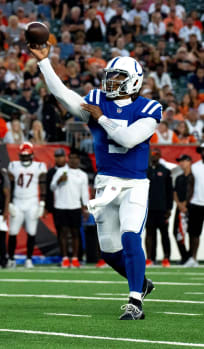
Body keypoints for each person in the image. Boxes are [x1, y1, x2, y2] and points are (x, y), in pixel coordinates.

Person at [30, 44, 157, 319]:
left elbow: (128, 138)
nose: (111, 81)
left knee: (131, 236)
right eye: (110, 75)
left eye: (119, 77)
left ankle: (135, 300)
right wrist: (44, 63)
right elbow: (63, 95)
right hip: (106, 182)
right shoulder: (97, 99)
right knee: (109, 251)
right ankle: (142, 282)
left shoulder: (149, 107)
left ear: (134, 81)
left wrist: (103, 119)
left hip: (134, 183)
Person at [7, 142, 47, 268]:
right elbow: (10, 185)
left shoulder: (39, 166)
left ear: (32, 155)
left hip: (32, 202)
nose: (24, 158)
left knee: (31, 231)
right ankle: (11, 258)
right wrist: (9, 203)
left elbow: (43, 184)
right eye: (22, 156)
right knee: (13, 232)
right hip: (17, 202)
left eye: (27, 156)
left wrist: (42, 203)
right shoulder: (13, 165)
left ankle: (29, 259)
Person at [50, 151, 89, 268]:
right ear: (68, 159)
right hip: (61, 206)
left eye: (75, 158)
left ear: (79, 160)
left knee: (75, 233)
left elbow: (85, 193)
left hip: (75, 206)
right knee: (63, 234)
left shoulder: (82, 175)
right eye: (71, 158)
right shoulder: (61, 171)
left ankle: (75, 258)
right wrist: (59, 180)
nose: (73, 160)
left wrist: (86, 208)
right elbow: (52, 187)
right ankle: (65, 258)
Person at [145, 148, 173, 267]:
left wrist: (169, 208)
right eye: (152, 154)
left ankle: (166, 258)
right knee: (149, 234)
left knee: (164, 234)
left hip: (162, 209)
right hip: (149, 208)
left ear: (160, 155)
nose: (154, 156)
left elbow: (169, 191)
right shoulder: (145, 171)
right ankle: (150, 258)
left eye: (156, 154)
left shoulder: (165, 171)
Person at [185, 144, 204, 267]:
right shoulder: (195, 167)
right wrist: (187, 202)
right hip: (196, 203)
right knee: (193, 233)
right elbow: (190, 185)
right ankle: (193, 258)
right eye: (203, 150)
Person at [174, 154, 194, 264]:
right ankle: (185, 257)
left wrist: (186, 204)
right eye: (180, 161)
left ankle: (191, 256)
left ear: (189, 161)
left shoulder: (194, 177)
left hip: (191, 208)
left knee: (191, 233)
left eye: (183, 161)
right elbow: (175, 192)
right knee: (176, 232)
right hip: (180, 208)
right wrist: (179, 204)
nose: (181, 163)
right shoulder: (179, 177)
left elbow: (194, 192)